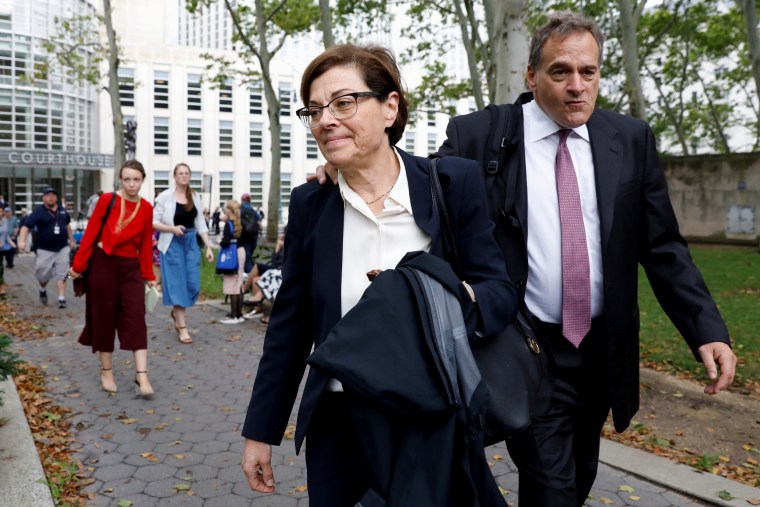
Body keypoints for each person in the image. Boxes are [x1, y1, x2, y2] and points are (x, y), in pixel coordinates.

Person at [433, 12, 736, 506]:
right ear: (532, 77)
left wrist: (707, 330)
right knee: (552, 486)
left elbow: (662, 247)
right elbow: (421, 195)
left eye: (588, 72)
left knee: (575, 477)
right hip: (524, 347)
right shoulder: (480, 136)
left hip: (601, 351)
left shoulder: (630, 139)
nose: (577, 87)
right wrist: (349, 168)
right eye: (560, 72)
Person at [240, 43, 517, 506]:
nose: (325, 119)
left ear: (390, 107)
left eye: (343, 102)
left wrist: (441, 295)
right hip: (339, 422)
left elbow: (499, 293)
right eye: (313, 110)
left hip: (432, 420)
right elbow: (290, 329)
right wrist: (260, 430)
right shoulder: (312, 203)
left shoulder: (452, 186)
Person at [69, 160, 157, 398]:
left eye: (136, 179)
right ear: (120, 178)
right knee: (104, 317)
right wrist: (78, 266)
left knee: (136, 317)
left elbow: (146, 243)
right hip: (103, 264)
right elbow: (89, 235)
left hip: (131, 268)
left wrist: (149, 276)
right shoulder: (107, 201)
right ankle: (106, 371)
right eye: (127, 179)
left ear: (143, 179)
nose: (131, 184)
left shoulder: (147, 208)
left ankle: (142, 375)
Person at [153, 163, 214, 344]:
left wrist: (208, 246)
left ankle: (176, 313)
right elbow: (152, 221)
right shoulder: (165, 196)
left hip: (190, 242)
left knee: (193, 284)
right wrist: (172, 229)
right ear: (175, 176)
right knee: (177, 285)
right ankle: (182, 326)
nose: (184, 176)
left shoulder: (194, 196)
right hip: (172, 244)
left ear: (189, 176)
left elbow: (201, 223)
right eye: (180, 173)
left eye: (187, 173)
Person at [17, 187, 76, 308]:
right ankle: (42, 288)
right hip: (45, 249)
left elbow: (67, 225)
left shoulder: (62, 210)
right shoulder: (39, 211)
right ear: (43, 198)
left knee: (63, 273)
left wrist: (72, 241)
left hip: (62, 248)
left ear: (56, 197)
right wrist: (22, 241)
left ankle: (61, 298)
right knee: (42, 274)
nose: (51, 197)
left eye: (53, 195)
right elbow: (25, 227)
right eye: (48, 195)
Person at [241, 230, 285, 320]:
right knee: (255, 279)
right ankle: (257, 308)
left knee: (257, 266)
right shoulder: (282, 245)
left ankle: (243, 290)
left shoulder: (292, 247)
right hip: (274, 268)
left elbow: (280, 263)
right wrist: (278, 246)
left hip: (279, 271)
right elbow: (274, 260)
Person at [218, 200, 246, 325]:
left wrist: (220, 240)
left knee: (232, 285)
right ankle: (239, 314)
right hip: (240, 252)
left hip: (231, 255)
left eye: (225, 209)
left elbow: (225, 242)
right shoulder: (239, 223)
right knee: (238, 283)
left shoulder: (228, 224)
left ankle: (234, 315)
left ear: (229, 210)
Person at [239, 193, 258, 273]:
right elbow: (258, 219)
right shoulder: (253, 210)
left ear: (242, 200)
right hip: (253, 238)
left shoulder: (241, 210)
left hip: (243, 238)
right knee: (248, 257)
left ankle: (250, 276)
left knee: (247, 258)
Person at [0, 210, 16, 295]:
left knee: (2, 268)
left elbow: (6, 235)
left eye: (1, 211)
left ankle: (1, 286)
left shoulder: (5, 221)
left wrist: (11, 242)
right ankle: (1, 287)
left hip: (3, 247)